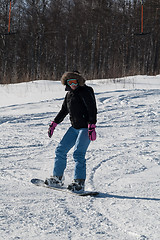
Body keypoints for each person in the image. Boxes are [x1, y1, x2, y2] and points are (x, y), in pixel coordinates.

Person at [45, 71, 97, 192]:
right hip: (74, 128)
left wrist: (92, 125)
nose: (73, 84)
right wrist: (54, 123)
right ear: (66, 83)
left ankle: (79, 183)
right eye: (70, 82)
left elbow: (92, 108)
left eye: (75, 81)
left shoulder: (86, 91)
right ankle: (57, 178)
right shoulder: (69, 94)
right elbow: (64, 110)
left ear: (79, 81)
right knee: (60, 150)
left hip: (85, 128)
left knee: (78, 154)